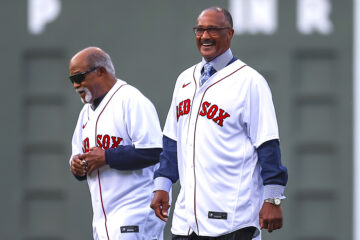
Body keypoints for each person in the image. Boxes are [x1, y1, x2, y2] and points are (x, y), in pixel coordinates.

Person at [150, 7, 288, 240]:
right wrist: (162, 185)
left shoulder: (250, 81)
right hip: (187, 220)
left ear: (230, 33)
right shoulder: (185, 79)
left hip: (233, 218)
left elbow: (267, 144)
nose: (205, 36)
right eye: (200, 30)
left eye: (213, 29)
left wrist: (272, 198)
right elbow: (172, 141)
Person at [68, 47, 165, 240]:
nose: (75, 85)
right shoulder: (85, 114)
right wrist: (77, 166)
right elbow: (77, 158)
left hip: (135, 210)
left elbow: (154, 151)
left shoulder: (131, 100)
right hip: (102, 219)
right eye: (72, 80)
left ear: (101, 71)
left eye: (79, 77)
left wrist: (107, 157)